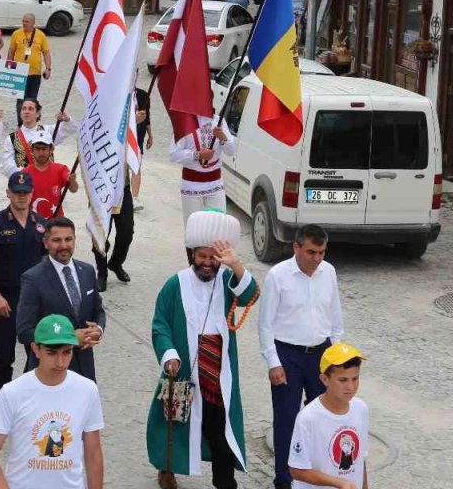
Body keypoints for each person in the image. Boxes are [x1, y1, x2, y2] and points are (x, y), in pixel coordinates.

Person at [146, 210, 260, 489]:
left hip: (218, 372)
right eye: (202, 256)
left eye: (213, 258)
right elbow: (160, 325)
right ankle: (166, 468)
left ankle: (225, 483)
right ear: (192, 254)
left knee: (220, 430)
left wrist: (235, 264)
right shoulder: (175, 284)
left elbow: (251, 295)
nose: (208, 263)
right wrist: (169, 355)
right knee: (174, 422)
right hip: (183, 368)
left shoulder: (227, 279)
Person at [256, 224, 344, 489]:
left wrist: (336, 356)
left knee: (323, 416)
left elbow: (335, 317)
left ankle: (320, 477)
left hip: (322, 355)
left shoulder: (328, 272)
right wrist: (273, 362)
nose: (317, 259)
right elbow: (265, 324)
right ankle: (284, 480)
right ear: (296, 248)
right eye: (311, 252)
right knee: (286, 419)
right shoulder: (277, 276)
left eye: (322, 252)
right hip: (288, 355)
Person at [0, 313, 105, 489]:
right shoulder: (12, 392)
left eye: (67, 352)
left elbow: (93, 454)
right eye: (51, 353)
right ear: (36, 349)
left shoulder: (87, 390)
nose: (60, 362)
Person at [0, 170, 47, 393]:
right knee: (3, 354)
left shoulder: (41, 224)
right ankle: (3, 399)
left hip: (33, 300)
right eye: (17, 192)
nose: (21, 196)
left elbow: (47, 261)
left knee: (36, 352)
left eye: (25, 192)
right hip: (6, 300)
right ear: (8, 193)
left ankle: (28, 397)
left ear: (32, 193)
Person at [15, 217, 105, 381]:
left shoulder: (87, 271)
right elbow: (24, 331)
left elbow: (98, 311)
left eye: (68, 239)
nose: (64, 245)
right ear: (46, 243)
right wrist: (70, 337)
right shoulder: (33, 279)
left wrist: (98, 330)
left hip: (85, 370)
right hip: (49, 373)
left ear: (75, 240)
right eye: (57, 240)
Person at [288, 344, 368, 489]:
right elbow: (296, 470)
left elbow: (360, 459)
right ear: (324, 379)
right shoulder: (308, 418)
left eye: (355, 378)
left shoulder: (360, 408)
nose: (351, 387)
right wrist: (340, 483)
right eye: (343, 380)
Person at [170, 117, 237, 258]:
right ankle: (194, 264)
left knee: (218, 225)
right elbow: (174, 154)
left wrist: (222, 137)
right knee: (193, 228)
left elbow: (231, 150)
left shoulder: (219, 121)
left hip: (214, 183)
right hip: (192, 184)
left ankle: (215, 263)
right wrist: (198, 155)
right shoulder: (184, 122)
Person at [0, 98, 75, 177]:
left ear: (38, 113)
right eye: (24, 109)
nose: (26, 111)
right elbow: (6, 166)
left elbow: (71, 129)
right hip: (25, 181)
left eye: (30, 109)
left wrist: (67, 119)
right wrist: (28, 174)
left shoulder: (48, 131)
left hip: (48, 179)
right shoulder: (11, 138)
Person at [23, 131, 77, 220]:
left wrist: (72, 181)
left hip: (57, 222)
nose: (41, 153)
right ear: (32, 149)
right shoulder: (24, 173)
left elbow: (74, 189)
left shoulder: (61, 169)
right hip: (33, 222)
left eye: (44, 149)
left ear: (51, 149)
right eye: (37, 149)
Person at [6, 13, 52, 100]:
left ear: (33, 23)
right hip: (19, 73)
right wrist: (9, 68)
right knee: (20, 99)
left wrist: (48, 68)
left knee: (32, 100)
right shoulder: (16, 34)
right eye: (23, 21)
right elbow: (11, 52)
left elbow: (46, 53)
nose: (24, 23)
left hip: (35, 73)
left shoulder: (41, 35)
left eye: (27, 21)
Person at [131, 88, 154, 211]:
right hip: (122, 136)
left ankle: (134, 198)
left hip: (138, 136)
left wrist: (150, 135)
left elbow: (147, 118)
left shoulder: (143, 95)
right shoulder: (119, 93)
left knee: (136, 166)